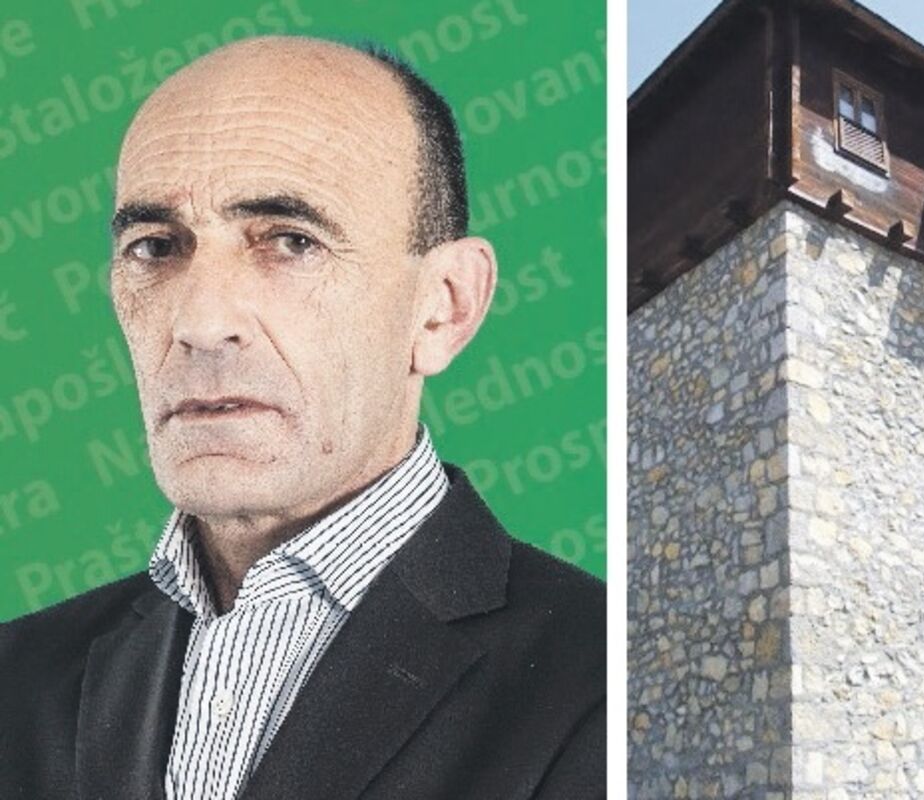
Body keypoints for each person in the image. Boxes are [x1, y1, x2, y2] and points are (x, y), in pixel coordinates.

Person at [0, 36, 604, 799]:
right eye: (155, 247)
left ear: (443, 306)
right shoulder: (18, 680)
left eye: (290, 242)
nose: (201, 322)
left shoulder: (598, 682)